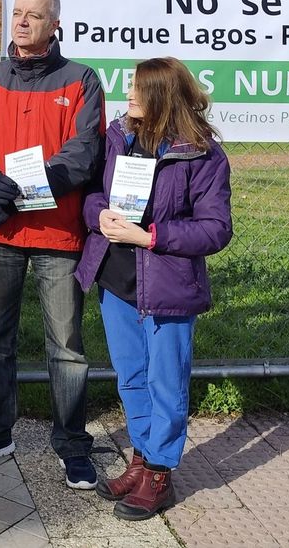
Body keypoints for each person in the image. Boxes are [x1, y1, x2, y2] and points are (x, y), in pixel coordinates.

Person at [0, 0, 105, 490]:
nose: (22, 22)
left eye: (34, 15)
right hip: (0, 228)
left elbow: (83, 151)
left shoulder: (81, 80)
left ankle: (72, 444)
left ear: (54, 24)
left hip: (58, 232)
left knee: (66, 346)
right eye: (16, 13)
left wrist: (29, 189)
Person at [73, 57, 232, 521]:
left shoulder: (203, 155)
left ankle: (160, 472)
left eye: (138, 89)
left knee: (166, 382)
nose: (129, 95)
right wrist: (97, 215)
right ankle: (141, 457)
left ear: (162, 96)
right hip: (116, 279)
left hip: (167, 285)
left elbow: (215, 230)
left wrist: (151, 237)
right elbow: (94, 195)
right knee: (131, 377)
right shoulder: (118, 139)